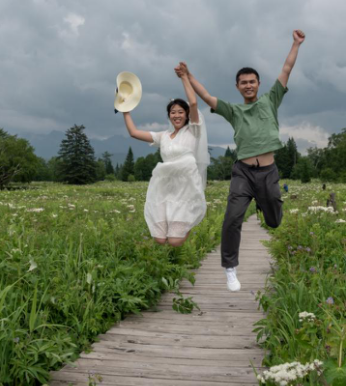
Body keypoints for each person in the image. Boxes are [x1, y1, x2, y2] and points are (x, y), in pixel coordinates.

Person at [178, 29, 305, 290]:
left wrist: (295, 44)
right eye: (243, 82)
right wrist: (188, 76)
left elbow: (287, 69)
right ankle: (230, 268)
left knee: (274, 221)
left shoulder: (271, 100)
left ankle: (265, 205)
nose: (248, 85)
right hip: (243, 173)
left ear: (259, 84)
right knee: (232, 218)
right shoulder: (233, 111)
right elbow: (206, 96)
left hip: (268, 172)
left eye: (252, 81)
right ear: (237, 87)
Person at [122, 68, 209, 247]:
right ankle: (169, 259)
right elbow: (133, 132)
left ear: (186, 115)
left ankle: (186, 227)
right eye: (173, 112)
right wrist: (125, 109)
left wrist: (184, 77)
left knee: (175, 241)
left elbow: (193, 103)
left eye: (180, 112)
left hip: (186, 185)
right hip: (164, 185)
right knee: (160, 239)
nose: (176, 115)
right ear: (169, 116)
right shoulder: (163, 136)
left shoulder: (193, 130)